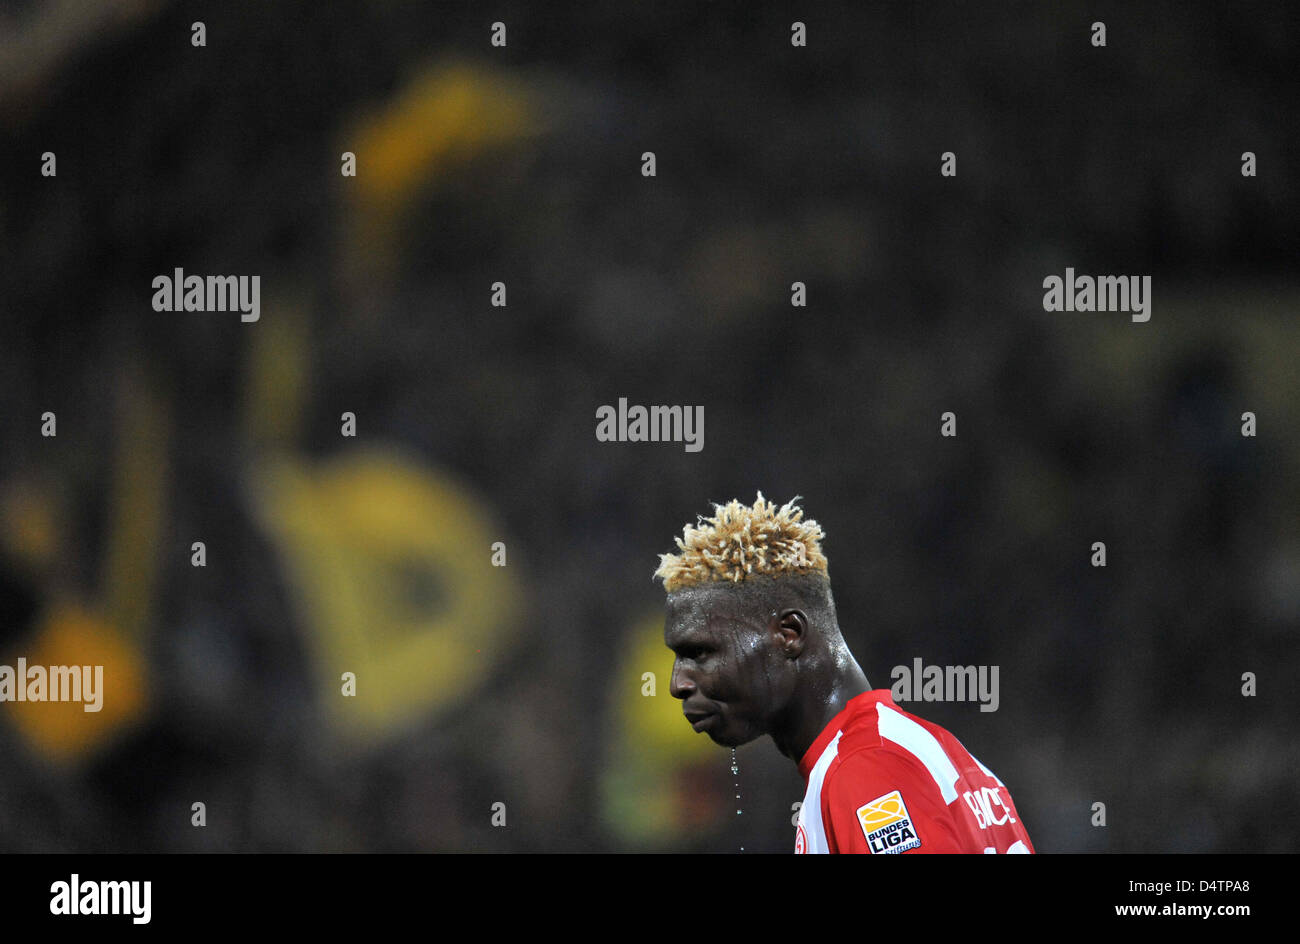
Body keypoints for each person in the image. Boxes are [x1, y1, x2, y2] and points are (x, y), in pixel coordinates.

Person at [655, 493, 1035, 854]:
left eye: (700, 653)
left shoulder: (866, 769)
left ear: (789, 634)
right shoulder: (931, 750)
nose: (678, 683)